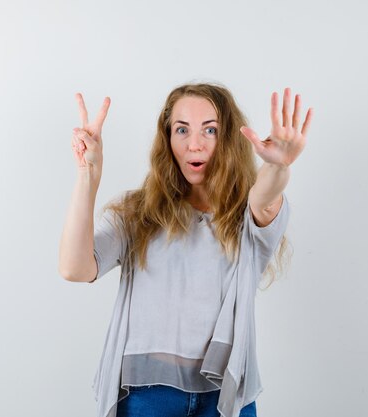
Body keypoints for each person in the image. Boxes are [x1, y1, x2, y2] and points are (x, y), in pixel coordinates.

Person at [59, 82, 313, 417]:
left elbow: (265, 195)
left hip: (223, 397)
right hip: (147, 398)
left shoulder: (245, 216)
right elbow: (75, 268)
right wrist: (87, 175)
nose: (195, 144)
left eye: (210, 130)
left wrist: (279, 166)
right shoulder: (138, 212)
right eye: (182, 130)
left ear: (229, 140)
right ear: (167, 139)